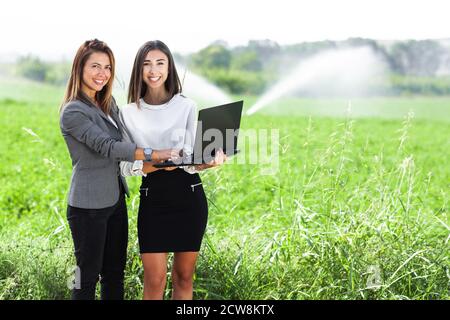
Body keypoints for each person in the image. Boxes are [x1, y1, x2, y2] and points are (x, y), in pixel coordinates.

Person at [59, 39, 175, 300]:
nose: (103, 74)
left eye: (108, 67)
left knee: (114, 274)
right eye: (95, 66)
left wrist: (170, 152)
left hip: (114, 200)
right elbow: (109, 146)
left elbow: (129, 137)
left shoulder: (107, 104)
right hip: (88, 207)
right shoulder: (73, 112)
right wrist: (153, 154)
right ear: (79, 69)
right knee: (84, 278)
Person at [119, 40, 226, 300]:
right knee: (153, 281)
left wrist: (209, 161)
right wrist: (159, 162)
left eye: (160, 63)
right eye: (147, 64)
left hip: (188, 196)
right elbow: (124, 165)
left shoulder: (187, 106)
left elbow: (191, 159)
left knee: (183, 277)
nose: (153, 70)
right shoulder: (128, 112)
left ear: (169, 68)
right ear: (139, 70)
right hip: (153, 199)